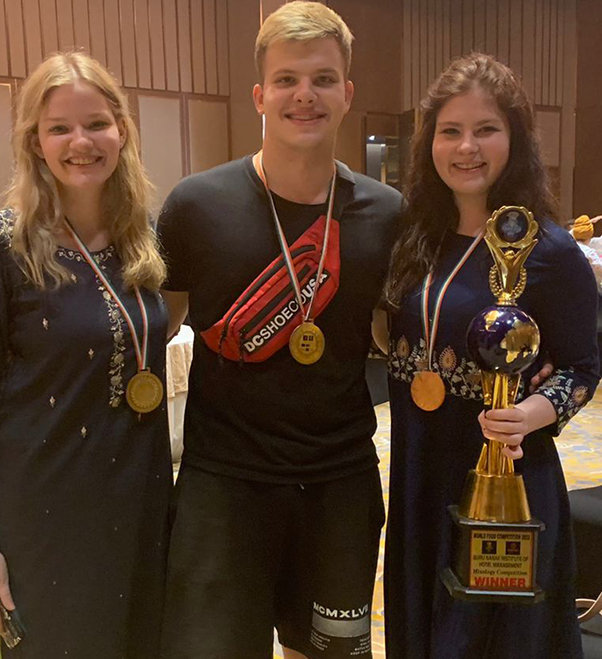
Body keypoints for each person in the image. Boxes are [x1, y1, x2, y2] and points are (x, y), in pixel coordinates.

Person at [157, 3, 402, 658]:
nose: (305, 95)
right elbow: (154, 330)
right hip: (223, 483)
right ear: (259, 95)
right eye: (287, 79)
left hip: (339, 483)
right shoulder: (195, 205)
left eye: (323, 79)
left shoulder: (387, 214)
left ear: (347, 93)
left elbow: (396, 336)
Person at [378, 53, 600, 658]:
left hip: (505, 479)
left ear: (516, 139)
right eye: (450, 130)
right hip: (420, 467)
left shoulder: (549, 251)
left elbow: (583, 369)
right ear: (429, 142)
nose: (466, 147)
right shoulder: (412, 238)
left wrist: (529, 414)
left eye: (486, 130)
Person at [0, 52, 172, 658]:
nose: (82, 142)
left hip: (137, 499)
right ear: (35, 142)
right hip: (43, 510)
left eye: (97, 123)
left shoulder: (143, 239)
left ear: (121, 131)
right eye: (60, 128)